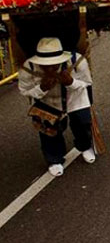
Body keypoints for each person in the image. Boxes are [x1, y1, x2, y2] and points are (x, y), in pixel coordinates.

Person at [18, 37, 96, 177]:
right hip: (48, 102)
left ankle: (84, 146)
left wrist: (71, 82)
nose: (50, 68)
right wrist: (42, 88)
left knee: (83, 124)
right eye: (45, 65)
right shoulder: (27, 68)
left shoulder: (77, 61)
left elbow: (87, 83)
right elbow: (24, 90)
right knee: (48, 131)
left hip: (75, 99)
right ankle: (54, 159)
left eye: (54, 65)